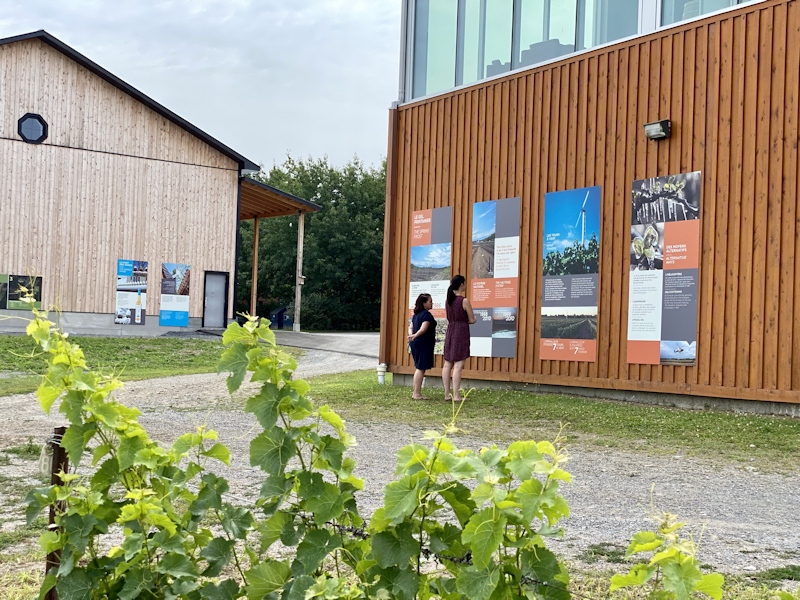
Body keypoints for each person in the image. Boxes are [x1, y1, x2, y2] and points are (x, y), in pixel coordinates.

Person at [442, 274, 476, 402]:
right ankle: (456, 395)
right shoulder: (464, 300)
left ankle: (447, 394)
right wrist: (470, 320)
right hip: (461, 332)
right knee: (458, 365)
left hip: (450, 331)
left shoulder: (448, 300)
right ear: (461, 284)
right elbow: (472, 319)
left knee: (447, 364)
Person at [407, 293, 436, 400]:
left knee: (419, 367)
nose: (432, 303)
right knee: (420, 368)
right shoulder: (426, 315)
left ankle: (416, 392)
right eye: (430, 301)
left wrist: (411, 335)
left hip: (416, 343)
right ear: (424, 303)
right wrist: (415, 335)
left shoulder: (416, 315)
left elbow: (411, 327)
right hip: (423, 343)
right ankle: (416, 393)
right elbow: (423, 329)